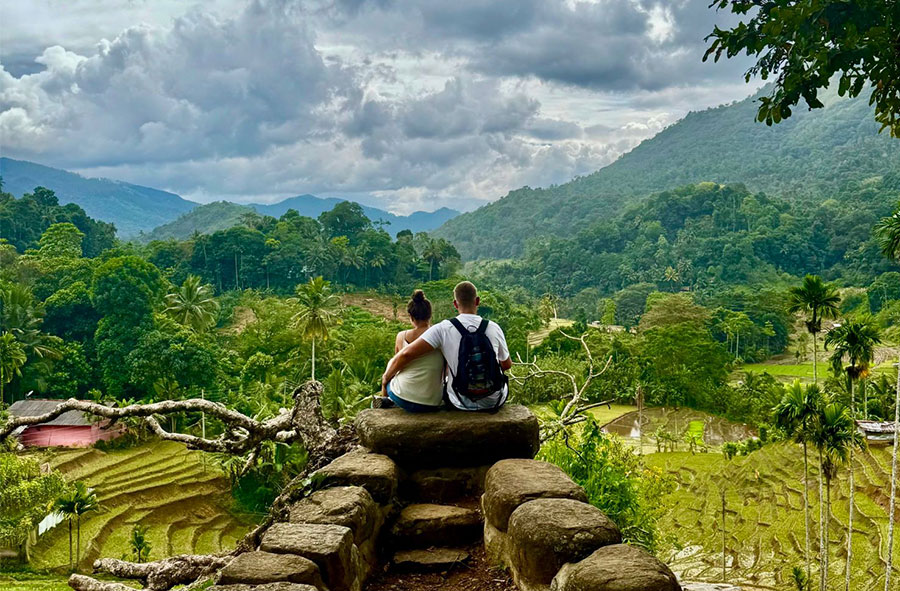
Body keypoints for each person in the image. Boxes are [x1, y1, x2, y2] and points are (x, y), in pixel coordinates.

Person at [381, 281, 512, 411]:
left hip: (461, 402)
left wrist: (386, 378)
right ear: (477, 301)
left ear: (455, 304)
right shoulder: (494, 327)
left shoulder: (443, 328)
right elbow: (506, 364)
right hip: (495, 400)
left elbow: (406, 354)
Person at [380, 290, 445, 412]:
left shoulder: (402, 336)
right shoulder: (441, 337)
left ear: (411, 317)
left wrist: (385, 379)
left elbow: (398, 365)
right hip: (433, 400)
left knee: (392, 363)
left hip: (403, 397)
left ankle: (385, 402)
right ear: (430, 315)